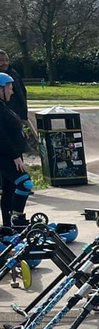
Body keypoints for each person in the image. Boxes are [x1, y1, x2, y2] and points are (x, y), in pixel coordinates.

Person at [0, 73, 32, 228]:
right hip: (6, 156)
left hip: (12, 155)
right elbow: (1, 136)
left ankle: (8, 226)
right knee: (25, 184)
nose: (12, 92)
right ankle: (16, 219)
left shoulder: (3, 106)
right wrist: (15, 156)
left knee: (9, 190)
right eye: (9, 88)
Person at [0, 50, 29, 126]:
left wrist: (24, 114)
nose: (5, 63)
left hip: (18, 113)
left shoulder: (14, 74)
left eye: (7, 60)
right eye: (1, 60)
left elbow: (22, 93)